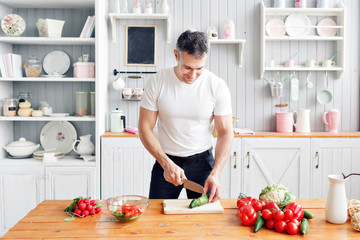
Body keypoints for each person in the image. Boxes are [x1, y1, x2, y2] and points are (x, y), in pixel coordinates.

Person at [138, 30, 233, 203]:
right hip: (165, 162)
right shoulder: (158, 82)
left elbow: (226, 132)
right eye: (187, 67)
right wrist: (166, 164)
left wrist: (216, 173)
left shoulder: (217, 85)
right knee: (157, 221)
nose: (193, 74)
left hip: (203, 164)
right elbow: (145, 129)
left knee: (204, 223)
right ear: (176, 55)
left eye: (199, 68)